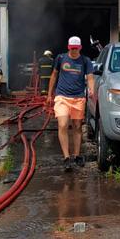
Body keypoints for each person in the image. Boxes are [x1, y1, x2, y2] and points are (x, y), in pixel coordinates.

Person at [46, 36, 95, 172]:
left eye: (76, 48)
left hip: (78, 98)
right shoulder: (61, 58)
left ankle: (77, 155)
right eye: (71, 48)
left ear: (79, 48)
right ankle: (66, 157)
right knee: (62, 124)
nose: (73, 51)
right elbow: (54, 75)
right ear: (68, 47)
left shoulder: (85, 61)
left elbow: (90, 77)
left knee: (77, 126)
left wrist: (91, 89)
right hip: (62, 96)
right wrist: (49, 94)